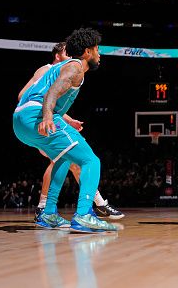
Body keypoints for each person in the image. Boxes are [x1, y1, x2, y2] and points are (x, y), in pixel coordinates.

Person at [13, 28, 116, 232]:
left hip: (20, 121)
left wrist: (60, 118)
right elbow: (52, 92)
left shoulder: (62, 67)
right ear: (87, 51)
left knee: (63, 158)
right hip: (37, 116)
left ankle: (48, 213)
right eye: (97, 49)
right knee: (90, 160)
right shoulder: (75, 67)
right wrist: (49, 116)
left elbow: (26, 94)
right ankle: (84, 215)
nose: (100, 54)